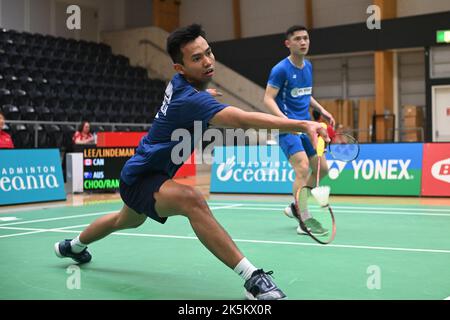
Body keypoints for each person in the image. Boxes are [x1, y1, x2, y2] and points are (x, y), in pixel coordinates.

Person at [54, 24, 329, 300]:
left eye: (208, 52)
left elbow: (190, 99)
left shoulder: (182, 87)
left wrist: (204, 95)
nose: (208, 61)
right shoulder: (190, 99)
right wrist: (302, 124)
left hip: (143, 171)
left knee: (123, 221)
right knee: (192, 200)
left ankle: (73, 246)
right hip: (144, 177)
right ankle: (252, 279)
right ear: (180, 68)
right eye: (197, 58)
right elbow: (241, 119)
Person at [263, 25, 336, 236]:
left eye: (305, 38)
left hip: (306, 126)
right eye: (297, 39)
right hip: (286, 127)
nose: (303, 42)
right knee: (303, 168)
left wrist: (321, 109)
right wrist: (286, 122)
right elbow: (267, 98)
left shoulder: (308, 67)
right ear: (288, 43)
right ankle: (303, 219)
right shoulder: (280, 69)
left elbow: (304, 94)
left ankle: (296, 206)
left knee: (322, 168)